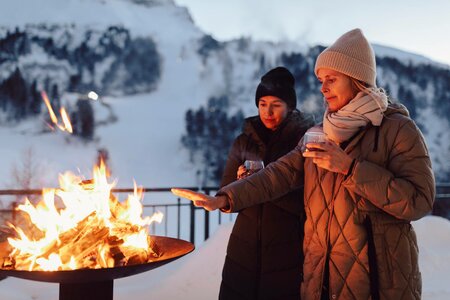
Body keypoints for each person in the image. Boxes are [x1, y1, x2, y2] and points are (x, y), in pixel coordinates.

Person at [173, 28, 435, 300]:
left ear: (356, 80)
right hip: (319, 279)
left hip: (377, 283)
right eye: (321, 80)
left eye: (331, 79)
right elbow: (279, 174)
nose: (323, 87)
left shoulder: (398, 129)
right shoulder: (319, 133)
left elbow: (419, 200)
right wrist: (225, 198)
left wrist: (350, 168)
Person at [218, 66, 314, 300]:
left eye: (276, 104)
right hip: (243, 248)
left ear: (290, 107)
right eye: (262, 104)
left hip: (287, 247)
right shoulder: (244, 141)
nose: (268, 111)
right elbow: (226, 196)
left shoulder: (303, 141)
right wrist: (239, 185)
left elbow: (308, 200)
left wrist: (256, 188)